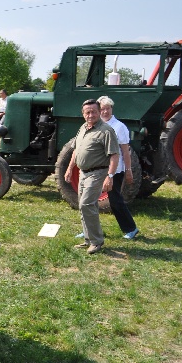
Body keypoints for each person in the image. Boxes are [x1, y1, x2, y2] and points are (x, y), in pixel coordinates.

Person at [64, 99, 119, 254]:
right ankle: (88, 239)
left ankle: (96, 242)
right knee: (84, 205)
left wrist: (110, 176)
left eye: (94, 111)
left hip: (98, 173)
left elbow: (115, 155)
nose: (91, 115)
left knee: (86, 204)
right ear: (83, 114)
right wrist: (69, 169)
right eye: (87, 112)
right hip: (83, 173)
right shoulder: (83, 128)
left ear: (99, 112)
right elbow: (76, 150)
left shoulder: (106, 131)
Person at [98, 96, 139, 239]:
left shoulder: (119, 127)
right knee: (89, 200)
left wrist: (128, 171)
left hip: (115, 170)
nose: (105, 112)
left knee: (115, 200)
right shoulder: (96, 125)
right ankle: (90, 230)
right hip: (98, 168)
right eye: (102, 109)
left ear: (111, 109)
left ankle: (131, 229)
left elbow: (125, 151)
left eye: (107, 108)